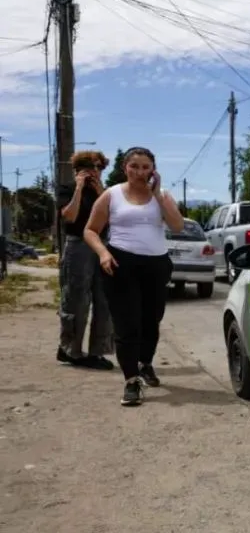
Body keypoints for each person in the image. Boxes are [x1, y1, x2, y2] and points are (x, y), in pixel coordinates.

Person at [83, 147, 185, 406]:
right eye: (134, 166)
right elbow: (91, 231)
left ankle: (145, 363)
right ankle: (131, 381)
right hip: (121, 263)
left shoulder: (161, 196)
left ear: (153, 170)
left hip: (156, 265)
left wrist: (158, 196)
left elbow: (177, 225)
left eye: (145, 167)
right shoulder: (111, 195)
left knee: (151, 320)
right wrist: (103, 253)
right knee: (127, 323)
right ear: (124, 168)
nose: (140, 172)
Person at [56, 150, 115, 369]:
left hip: (101, 245)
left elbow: (112, 218)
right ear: (78, 169)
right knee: (76, 298)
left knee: (104, 299)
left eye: (99, 167)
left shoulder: (104, 192)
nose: (95, 171)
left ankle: (97, 352)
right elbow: (69, 216)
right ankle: (71, 349)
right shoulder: (68, 189)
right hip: (77, 244)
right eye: (90, 167)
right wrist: (79, 188)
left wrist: (100, 190)